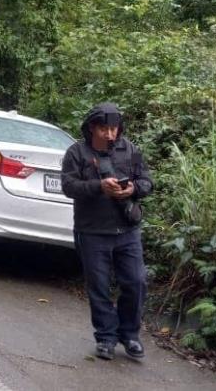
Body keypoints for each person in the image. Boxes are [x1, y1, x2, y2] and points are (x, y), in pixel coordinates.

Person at [61, 102, 153, 361]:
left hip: (127, 230)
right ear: (92, 128)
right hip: (91, 232)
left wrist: (132, 189)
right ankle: (106, 338)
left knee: (136, 282)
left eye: (114, 129)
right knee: (99, 287)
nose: (110, 135)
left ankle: (130, 335)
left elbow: (147, 181)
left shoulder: (130, 150)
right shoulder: (76, 152)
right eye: (104, 129)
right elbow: (68, 187)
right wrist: (98, 186)